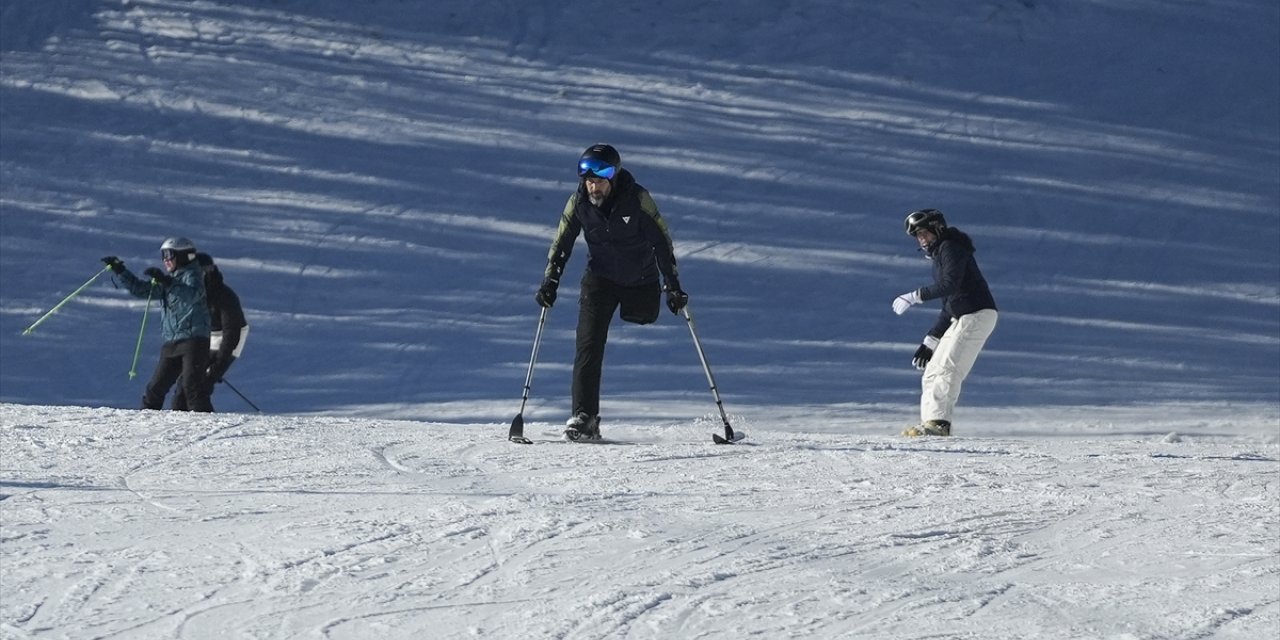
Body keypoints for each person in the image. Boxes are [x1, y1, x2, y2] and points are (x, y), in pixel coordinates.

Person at [535, 144, 688, 440]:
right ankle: (585, 417)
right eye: (589, 180)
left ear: (614, 177)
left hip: (640, 278)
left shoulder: (637, 199)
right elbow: (562, 242)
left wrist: (672, 285)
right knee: (588, 344)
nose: (594, 186)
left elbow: (661, 242)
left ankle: (586, 416)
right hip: (600, 279)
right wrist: (550, 281)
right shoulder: (578, 202)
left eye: (600, 179)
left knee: (642, 316)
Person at [891, 209, 998, 437]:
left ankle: (938, 424)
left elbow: (949, 285)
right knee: (931, 371)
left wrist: (913, 296)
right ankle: (930, 423)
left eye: (924, 233)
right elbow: (949, 305)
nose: (922, 239)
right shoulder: (941, 256)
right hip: (963, 316)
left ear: (938, 228)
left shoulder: (951, 247)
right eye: (918, 236)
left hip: (977, 313)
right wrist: (930, 341)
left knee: (948, 368)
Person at [101, 237, 213, 412]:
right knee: (155, 390)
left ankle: (208, 427)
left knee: (193, 389)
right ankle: (146, 424)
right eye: (163, 255)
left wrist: (167, 282)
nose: (165, 260)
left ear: (184, 256)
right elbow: (142, 290)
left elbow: (192, 295)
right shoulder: (171, 280)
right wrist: (120, 270)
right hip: (173, 342)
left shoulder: (193, 275)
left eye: (169, 255)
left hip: (194, 341)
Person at [172, 252, 248, 411]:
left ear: (208, 272)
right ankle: (178, 425)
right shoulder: (191, 293)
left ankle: (204, 425)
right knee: (183, 386)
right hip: (203, 337)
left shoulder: (224, 296)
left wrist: (218, 366)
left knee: (200, 386)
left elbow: (231, 335)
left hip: (228, 338)